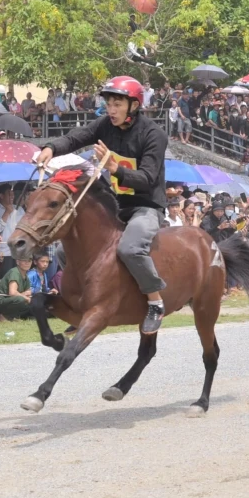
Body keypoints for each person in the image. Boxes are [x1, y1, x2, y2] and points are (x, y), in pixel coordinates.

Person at [35, 75, 170, 334]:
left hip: (146, 206)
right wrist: (51, 147)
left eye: (117, 105)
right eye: (109, 104)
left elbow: (147, 179)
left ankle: (155, 302)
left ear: (133, 105)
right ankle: (83, 303)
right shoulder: (105, 125)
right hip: (116, 205)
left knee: (130, 249)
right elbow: (76, 137)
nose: (111, 110)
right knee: (66, 252)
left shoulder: (154, 135)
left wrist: (114, 169)